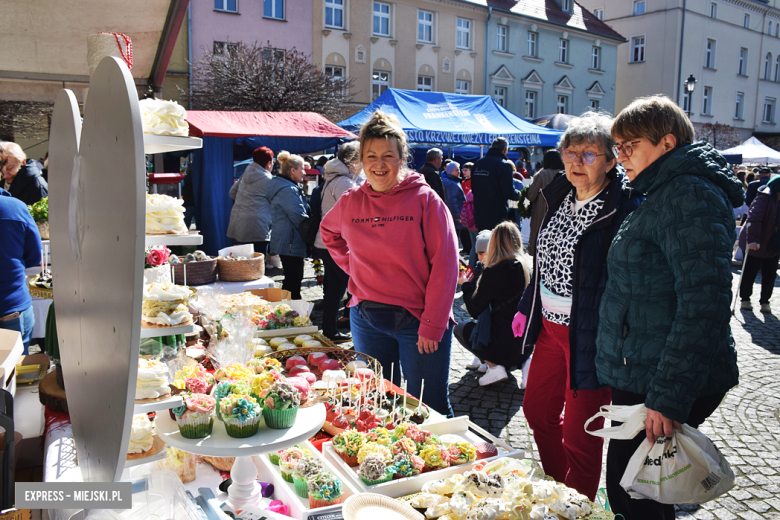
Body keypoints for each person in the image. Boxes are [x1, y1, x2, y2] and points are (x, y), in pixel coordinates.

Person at [597, 95, 742, 519]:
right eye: (617, 146)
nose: (620, 155)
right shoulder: (662, 189)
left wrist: (669, 396)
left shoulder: (689, 195)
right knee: (635, 492)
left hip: (658, 378)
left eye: (629, 145)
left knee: (636, 495)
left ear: (667, 142)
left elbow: (705, 302)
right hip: (642, 364)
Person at [513, 111, 642, 501]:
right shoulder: (557, 196)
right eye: (570, 152)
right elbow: (543, 262)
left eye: (588, 154)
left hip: (591, 336)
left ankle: (579, 506)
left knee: (581, 438)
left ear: (610, 159)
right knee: (536, 412)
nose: (575, 161)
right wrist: (526, 304)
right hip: (550, 330)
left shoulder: (624, 207)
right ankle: (559, 489)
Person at [321, 111, 459, 417]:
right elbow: (329, 234)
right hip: (366, 318)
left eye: (388, 156)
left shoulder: (426, 200)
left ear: (402, 158)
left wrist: (434, 324)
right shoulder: (350, 200)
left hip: (419, 322)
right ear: (360, 159)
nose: (379, 164)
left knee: (429, 408)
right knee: (377, 404)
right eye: (371, 155)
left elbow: (446, 266)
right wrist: (355, 267)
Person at [455, 222, 532, 386]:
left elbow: (474, 309)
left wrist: (465, 284)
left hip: (499, 347)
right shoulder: (526, 268)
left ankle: (494, 366)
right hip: (525, 345)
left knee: (459, 328)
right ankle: (526, 364)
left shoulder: (492, 273)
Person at [314, 141, 361, 343]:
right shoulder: (344, 182)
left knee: (335, 289)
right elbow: (355, 215)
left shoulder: (334, 178)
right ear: (353, 161)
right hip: (335, 244)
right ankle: (353, 331)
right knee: (351, 287)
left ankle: (330, 330)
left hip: (326, 243)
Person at [0, 187, 42, 354]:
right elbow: (34, 256)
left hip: (12, 305)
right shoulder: (16, 207)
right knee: (15, 371)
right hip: (12, 305)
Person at [267, 151, 309, 300]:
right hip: (290, 242)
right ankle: (291, 314)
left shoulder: (286, 186)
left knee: (292, 278)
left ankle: (288, 312)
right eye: (301, 168)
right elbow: (298, 217)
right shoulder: (288, 189)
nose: (304, 172)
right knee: (293, 279)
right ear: (292, 171)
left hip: (287, 240)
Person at [739, 174, 780, 313]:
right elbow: (754, 219)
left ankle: (765, 302)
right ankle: (745, 299)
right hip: (755, 241)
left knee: (770, 274)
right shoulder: (763, 198)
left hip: (774, 244)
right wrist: (753, 240)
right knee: (749, 272)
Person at [227, 146, 274, 256]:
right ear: (268, 163)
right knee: (258, 261)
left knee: (245, 260)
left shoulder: (245, 175)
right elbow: (276, 201)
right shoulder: (269, 180)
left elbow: (232, 193)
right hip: (259, 225)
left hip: (241, 222)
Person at [470, 137, 520, 235]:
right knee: (497, 245)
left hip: (480, 212)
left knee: (483, 245)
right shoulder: (504, 165)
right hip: (496, 213)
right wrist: (520, 195)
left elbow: (474, 189)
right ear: (505, 150)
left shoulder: (478, 164)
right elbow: (508, 191)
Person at [526, 150, 565, 256]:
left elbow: (531, 195)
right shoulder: (566, 174)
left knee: (538, 238)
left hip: (542, 212)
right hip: (561, 213)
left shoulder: (542, 174)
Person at [0, 142, 48, 206]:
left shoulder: (37, 186)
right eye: (0, 169)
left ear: (23, 162)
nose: (4, 174)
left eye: (10, 168)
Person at [441, 162, 466, 236]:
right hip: (455, 217)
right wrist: (457, 216)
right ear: (450, 171)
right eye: (456, 170)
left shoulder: (453, 181)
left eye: (459, 170)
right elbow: (451, 201)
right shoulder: (451, 183)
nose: (459, 172)